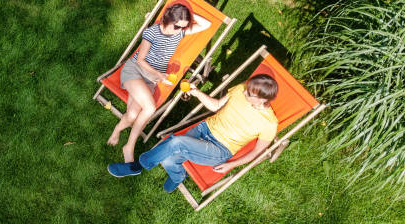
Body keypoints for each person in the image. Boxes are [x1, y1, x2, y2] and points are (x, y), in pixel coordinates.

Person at [107, 74, 279, 193]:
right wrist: (196, 92)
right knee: (168, 159)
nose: (244, 92)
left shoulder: (269, 123)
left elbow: (257, 152)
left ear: (263, 99)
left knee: (176, 143)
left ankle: (137, 166)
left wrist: (231, 165)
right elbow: (216, 105)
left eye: (249, 93)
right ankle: (178, 176)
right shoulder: (241, 88)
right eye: (247, 88)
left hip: (220, 149)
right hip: (205, 128)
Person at [106, 1, 212, 164]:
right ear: (167, 20)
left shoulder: (180, 32)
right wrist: (161, 76)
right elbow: (140, 61)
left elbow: (207, 24)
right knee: (149, 108)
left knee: (133, 115)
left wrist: (186, 14)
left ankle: (117, 130)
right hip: (134, 70)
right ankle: (129, 147)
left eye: (183, 27)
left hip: (150, 78)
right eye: (177, 26)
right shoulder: (151, 33)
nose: (180, 30)